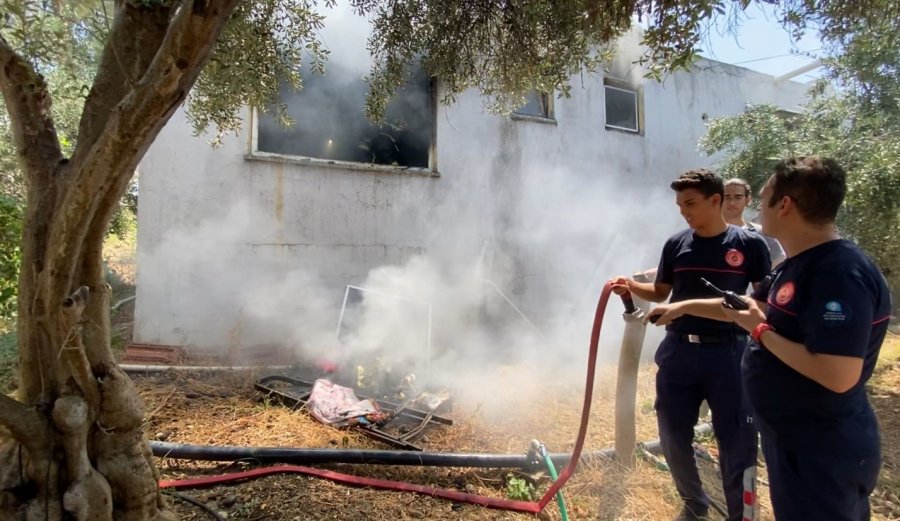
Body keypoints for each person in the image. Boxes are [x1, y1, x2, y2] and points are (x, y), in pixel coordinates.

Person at [612, 169, 771, 521]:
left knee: (737, 441)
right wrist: (632, 288)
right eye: (680, 205)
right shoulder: (676, 244)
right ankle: (694, 504)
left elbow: (761, 304)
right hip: (679, 351)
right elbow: (662, 292)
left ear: (716, 200)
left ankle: (742, 514)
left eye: (691, 203)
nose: (684, 211)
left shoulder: (749, 245)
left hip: (730, 352)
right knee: (671, 434)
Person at [723, 177, 786, 267]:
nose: (732, 202)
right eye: (727, 197)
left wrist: (760, 278)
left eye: (738, 197)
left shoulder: (761, 232)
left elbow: (780, 259)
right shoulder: (708, 232)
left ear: (748, 200)